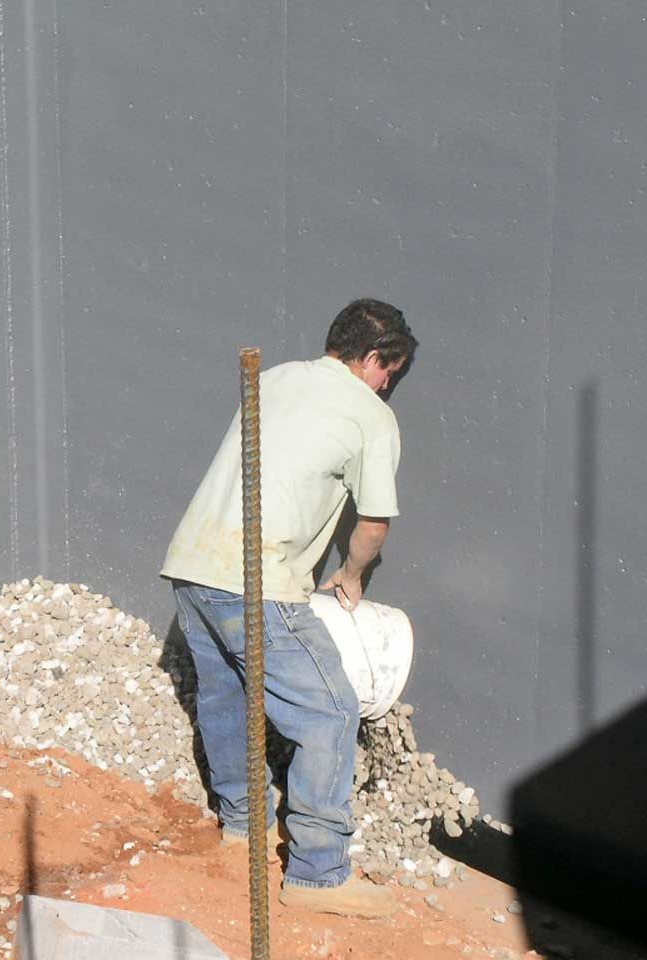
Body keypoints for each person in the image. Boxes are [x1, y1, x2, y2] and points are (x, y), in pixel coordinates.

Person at [161, 299, 417, 917]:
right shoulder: (371, 417)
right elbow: (373, 524)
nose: (391, 386)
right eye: (392, 373)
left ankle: (242, 826)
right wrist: (353, 574)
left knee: (227, 696)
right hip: (259, 578)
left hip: (192, 565)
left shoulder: (272, 379)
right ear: (375, 359)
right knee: (330, 711)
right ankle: (318, 873)